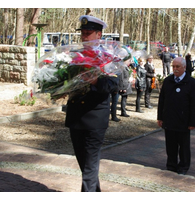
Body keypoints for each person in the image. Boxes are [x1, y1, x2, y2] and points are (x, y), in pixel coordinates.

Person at [65, 15, 119, 192]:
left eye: (88, 33)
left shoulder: (108, 57)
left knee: (89, 166)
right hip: (76, 117)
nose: (84, 37)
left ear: (99, 35)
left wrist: (96, 82)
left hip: (95, 119)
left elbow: (115, 84)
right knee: (85, 165)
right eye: (82, 33)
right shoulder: (74, 55)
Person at [157, 57, 195, 175]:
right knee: (170, 146)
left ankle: (184, 167)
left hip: (183, 121)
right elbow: (162, 101)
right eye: (173, 67)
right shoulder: (168, 81)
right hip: (169, 120)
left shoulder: (191, 83)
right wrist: (160, 117)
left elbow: (194, 104)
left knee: (184, 147)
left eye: (177, 67)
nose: (175, 69)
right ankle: (171, 166)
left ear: (184, 67)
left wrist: (192, 122)